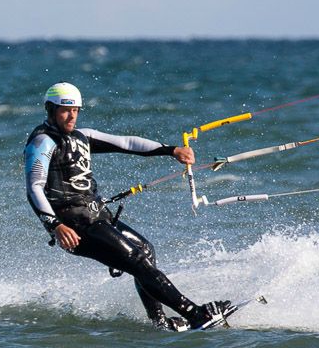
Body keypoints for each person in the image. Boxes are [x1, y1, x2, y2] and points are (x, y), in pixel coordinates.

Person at [24, 81, 232, 331]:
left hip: (97, 217)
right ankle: (196, 314)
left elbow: (127, 143)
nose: (72, 116)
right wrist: (55, 225)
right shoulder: (42, 143)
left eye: (76, 110)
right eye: (65, 110)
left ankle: (160, 322)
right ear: (50, 109)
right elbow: (34, 187)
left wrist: (171, 150)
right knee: (136, 260)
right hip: (75, 227)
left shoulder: (82, 136)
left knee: (145, 250)